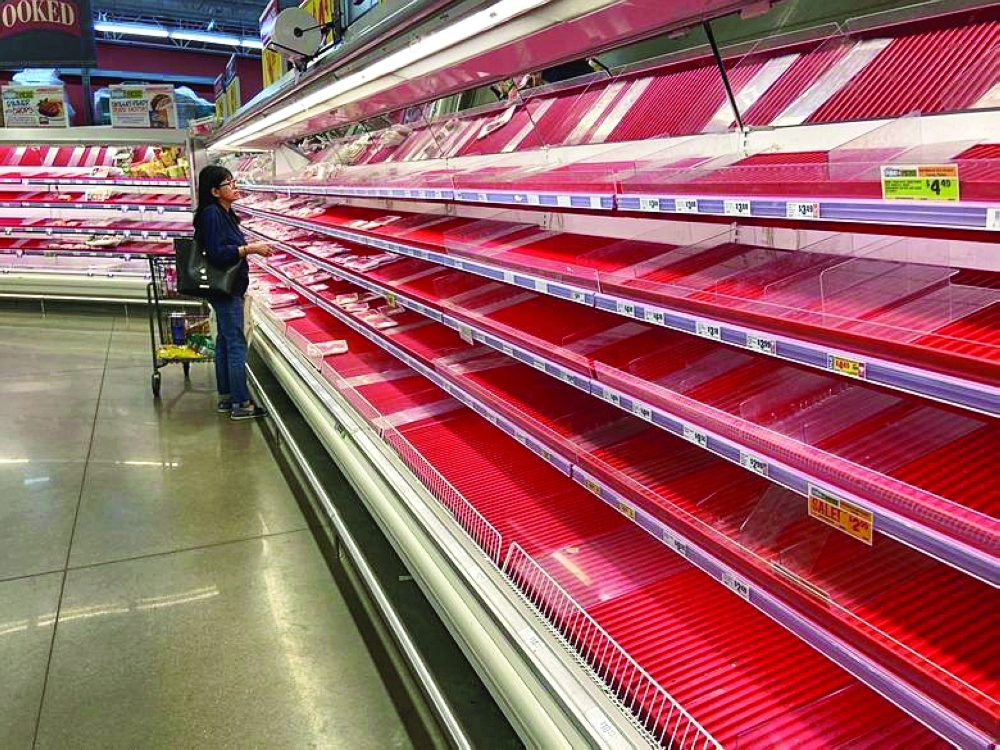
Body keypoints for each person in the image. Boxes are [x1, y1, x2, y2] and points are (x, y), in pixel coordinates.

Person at [193, 165, 273, 420]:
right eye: (228, 183)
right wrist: (250, 249)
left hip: (229, 288)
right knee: (236, 343)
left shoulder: (223, 212)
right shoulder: (212, 214)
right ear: (215, 191)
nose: (234, 186)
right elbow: (218, 253)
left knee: (226, 342)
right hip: (225, 290)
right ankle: (242, 403)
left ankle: (227, 398)